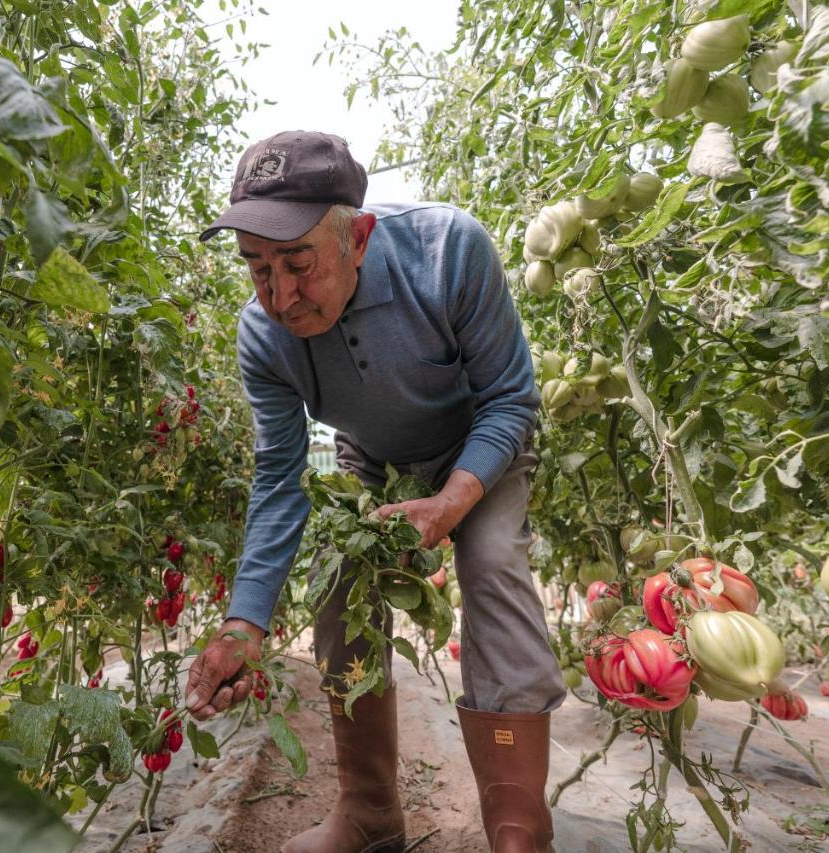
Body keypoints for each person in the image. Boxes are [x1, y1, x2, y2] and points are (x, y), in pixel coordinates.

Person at [186, 130, 565, 853]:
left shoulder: (449, 250)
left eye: (299, 265)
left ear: (357, 237)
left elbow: (513, 400)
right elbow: (279, 474)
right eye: (257, 270)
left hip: (483, 449)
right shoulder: (263, 338)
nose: (280, 296)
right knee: (339, 582)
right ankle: (368, 814)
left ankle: (519, 830)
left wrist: (453, 501)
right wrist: (243, 623)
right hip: (375, 461)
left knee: (492, 564)